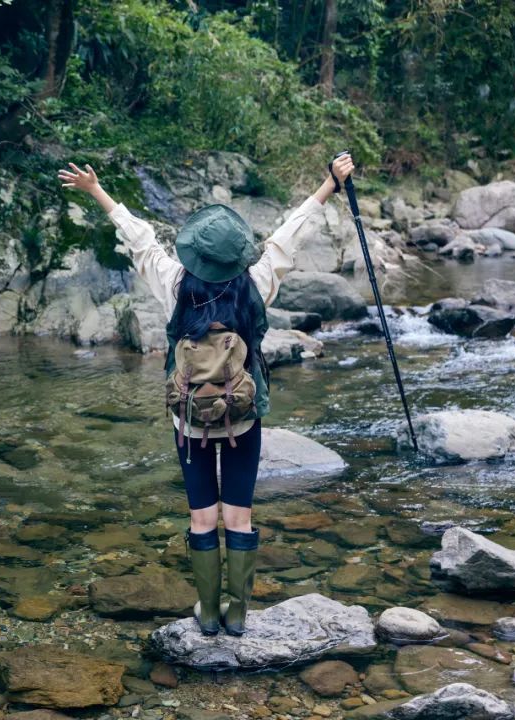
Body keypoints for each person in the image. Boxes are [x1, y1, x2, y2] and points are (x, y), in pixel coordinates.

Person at [58, 153, 355, 636]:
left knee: (202, 518)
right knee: (238, 515)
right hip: (243, 419)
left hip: (190, 422)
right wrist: (329, 185)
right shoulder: (256, 284)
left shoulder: (175, 285)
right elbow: (289, 235)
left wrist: (96, 190)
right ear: (238, 254)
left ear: (194, 254)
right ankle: (238, 615)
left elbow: (140, 239)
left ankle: (208, 613)